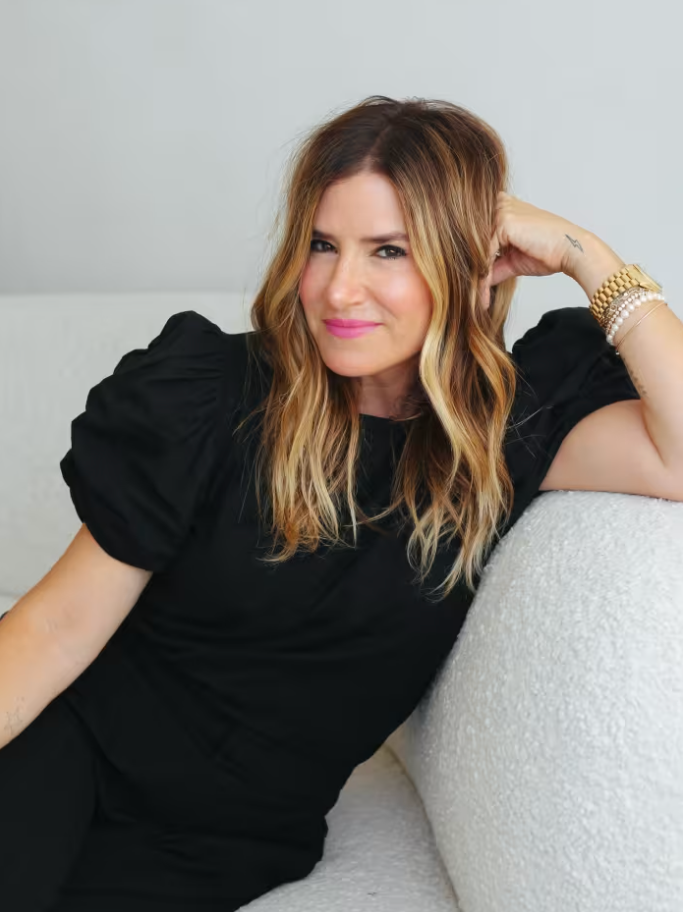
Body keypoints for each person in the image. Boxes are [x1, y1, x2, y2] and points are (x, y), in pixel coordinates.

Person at [0, 95, 645, 912]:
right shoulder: (210, 399)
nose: (340, 288)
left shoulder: (512, 431)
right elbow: (54, 630)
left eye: (388, 251)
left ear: (468, 263)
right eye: (321, 245)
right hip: (71, 750)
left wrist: (587, 255)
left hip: (228, 841)